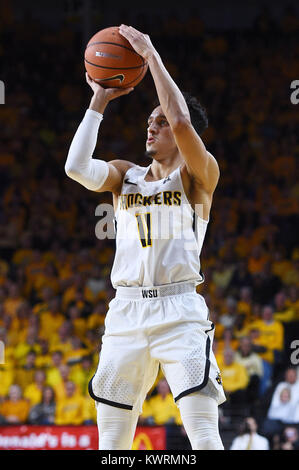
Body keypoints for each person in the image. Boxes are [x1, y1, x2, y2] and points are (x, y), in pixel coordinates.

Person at [65, 24, 225, 450]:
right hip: (126, 313)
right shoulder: (125, 176)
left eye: (159, 123)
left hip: (180, 311)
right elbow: (76, 168)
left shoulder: (198, 175)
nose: (151, 128)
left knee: (204, 435)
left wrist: (151, 55)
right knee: (112, 443)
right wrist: (99, 100)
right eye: (147, 122)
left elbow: (180, 117)